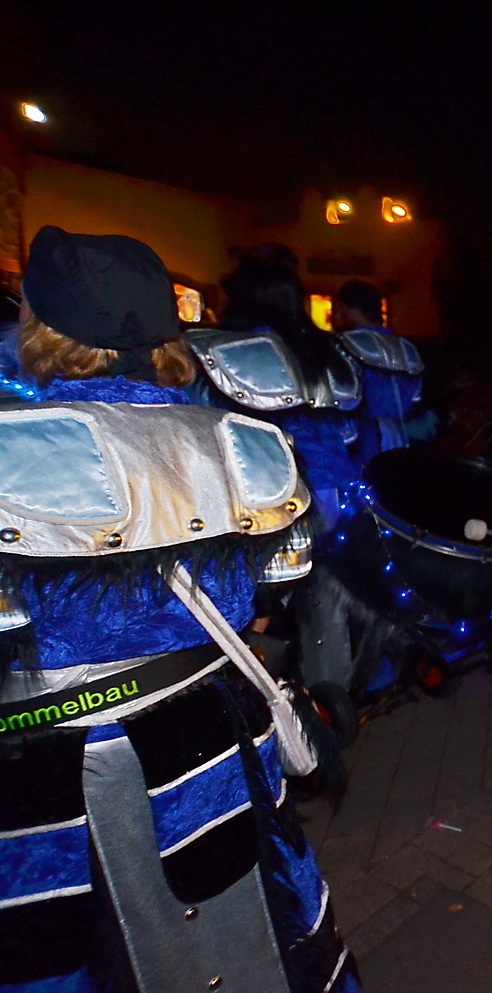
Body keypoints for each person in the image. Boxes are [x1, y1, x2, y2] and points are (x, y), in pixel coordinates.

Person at [0, 227, 356, 992]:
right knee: (253, 934)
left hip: (50, 781)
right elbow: (268, 598)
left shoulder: (11, 452)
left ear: (46, 327)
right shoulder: (241, 443)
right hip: (217, 743)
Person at [220, 247, 362, 530]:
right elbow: (348, 428)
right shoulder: (326, 347)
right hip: (334, 484)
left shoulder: (231, 351)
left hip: (264, 489)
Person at [334, 279, 424, 464]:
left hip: (359, 442)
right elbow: (416, 400)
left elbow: (339, 398)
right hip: (402, 439)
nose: (338, 312)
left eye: (341, 306)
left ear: (352, 309)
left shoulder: (342, 345)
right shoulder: (407, 349)